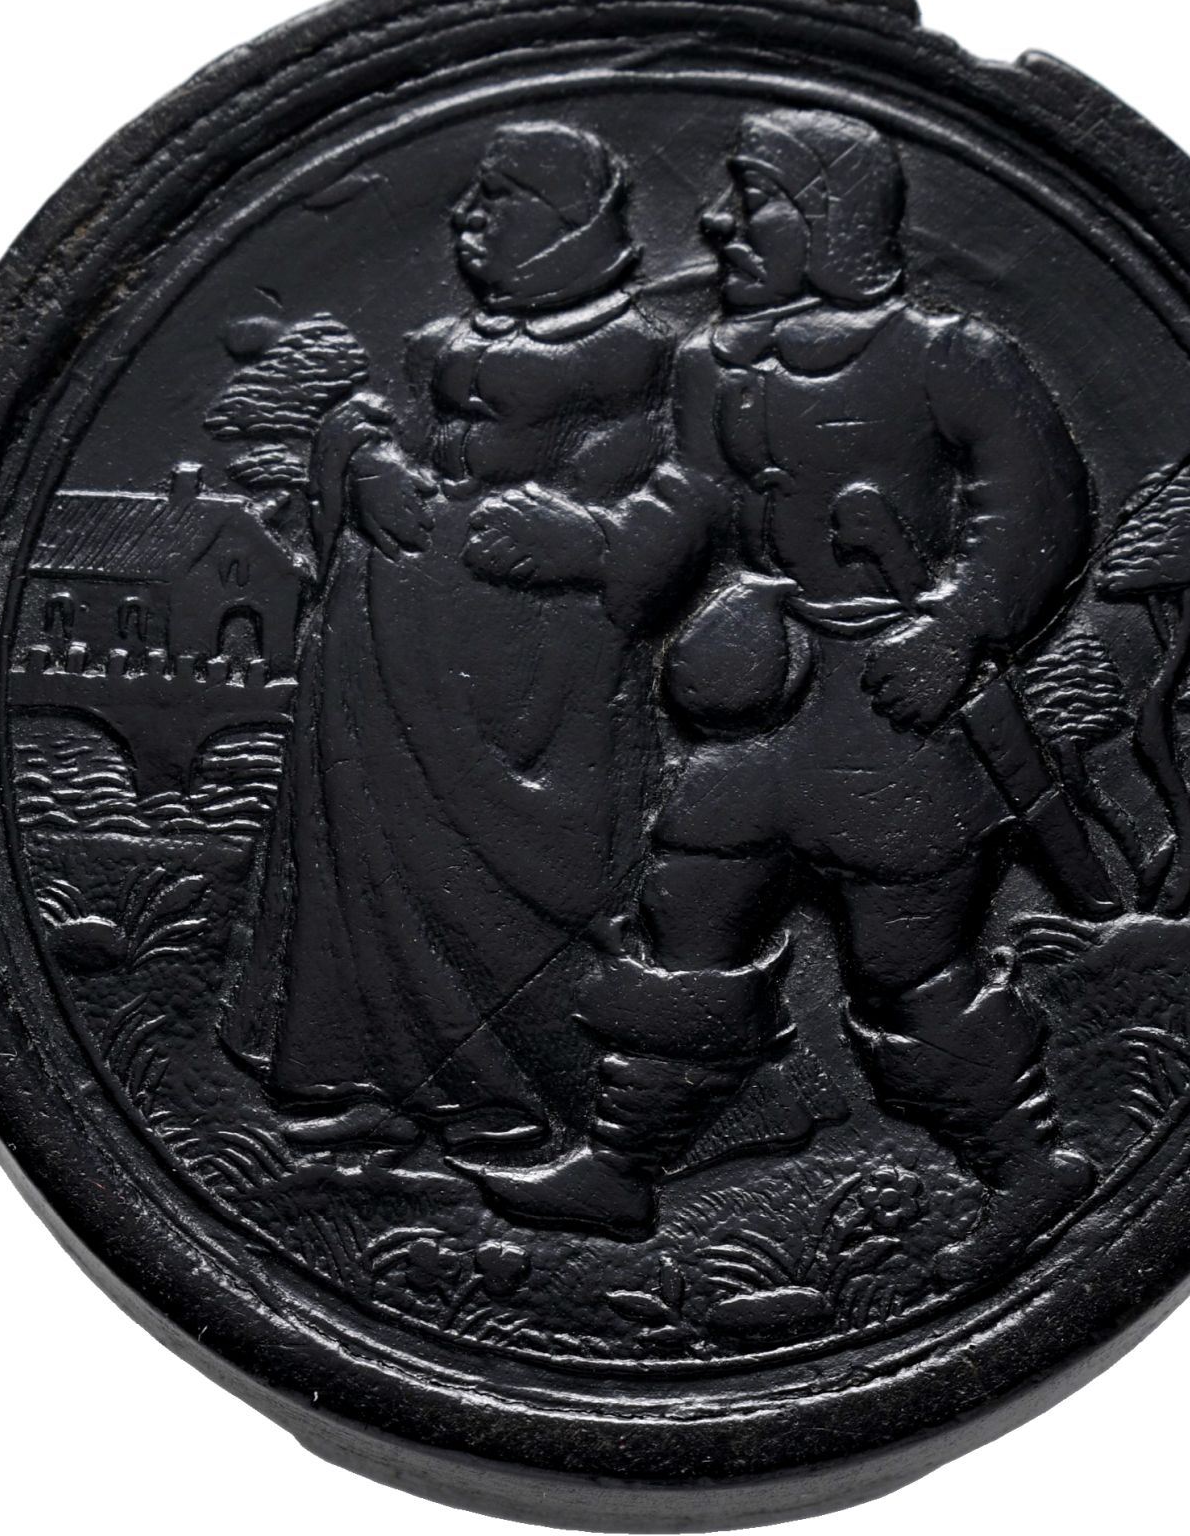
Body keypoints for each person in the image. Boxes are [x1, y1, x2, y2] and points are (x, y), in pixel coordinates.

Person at [463, 110, 1104, 1281]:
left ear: (830, 218)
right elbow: (690, 504)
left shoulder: (950, 355)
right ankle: (623, 1165)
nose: (717, 222)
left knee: (907, 963)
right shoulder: (716, 364)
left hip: (899, 710)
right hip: (759, 701)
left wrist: (956, 623)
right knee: (685, 918)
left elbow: (1038, 507)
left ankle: (1027, 1166)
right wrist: (590, 546)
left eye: (750, 197)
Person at [224, 122, 722, 1156]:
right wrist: (363, 461)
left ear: (567, 218)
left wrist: (592, 541)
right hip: (392, 645)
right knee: (370, 858)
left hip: (547, 676)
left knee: (530, 883)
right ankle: (362, 1070)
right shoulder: (439, 346)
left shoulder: (655, 355)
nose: (465, 216)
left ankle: (523, 1094)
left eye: (496, 198)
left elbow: (696, 499)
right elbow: (390, 438)